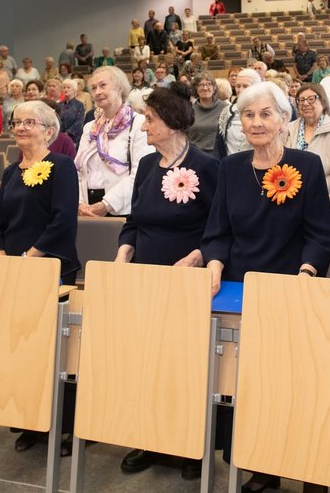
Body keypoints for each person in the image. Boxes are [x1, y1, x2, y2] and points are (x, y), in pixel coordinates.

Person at [201, 81, 330, 493]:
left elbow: (320, 233)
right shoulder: (231, 168)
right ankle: (263, 465)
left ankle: (311, 467)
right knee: (253, 384)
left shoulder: (306, 166)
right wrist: (214, 265)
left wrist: (306, 275)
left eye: (265, 114)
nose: (256, 122)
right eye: (248, 114)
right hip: (241, 289)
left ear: (284, 119)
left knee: (297, 384)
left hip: (293, 286)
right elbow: (218, 230)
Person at [114, 83, 220, 479]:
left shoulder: (208, 167)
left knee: (185, 366)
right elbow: (133, 221)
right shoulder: (145, 165)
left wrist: (197, 257)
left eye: (150, 119)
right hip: (145, 280)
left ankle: (191, 448)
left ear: (173, 123)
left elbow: (218, 228)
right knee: (146, 362)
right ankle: (147, 438)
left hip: (186, 283)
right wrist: (125, 250)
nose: (144, 127)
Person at [0, 100, 79, 453]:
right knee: (21, 350)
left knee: (55, 352)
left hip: (51, 268)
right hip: (13, 271)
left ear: (49, 130)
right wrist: (2, 259)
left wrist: (28, 257)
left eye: (30, 122)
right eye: (16, 122)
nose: (22, 127)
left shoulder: (62, 166)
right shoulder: (10, 172)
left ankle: (64, 428)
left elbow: (62, 223)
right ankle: (30, 421)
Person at [75, 67, 153, 217]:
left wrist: (106, 204)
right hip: (87, 210)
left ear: (119, 87)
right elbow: (78, 170)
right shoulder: (89, 128)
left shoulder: (139, 124)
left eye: (103, 85)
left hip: (124, 209)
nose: (97, 92)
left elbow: (141, 174)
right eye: (93, 88)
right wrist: (80, 204)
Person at [286, 83, 330, 194]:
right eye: (301, 100)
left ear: (323, 101)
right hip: (291, 194)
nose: (305, 103)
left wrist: (311, 190)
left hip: (327, 196)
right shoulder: (289, 129)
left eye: (311, 99)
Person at [217, 68, 262, 156]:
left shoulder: (264, 113)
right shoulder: (226, 111)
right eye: (238, 86)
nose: (240, 90)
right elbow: (219, 143)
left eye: (245, 86)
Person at [189, 72, 225, 158]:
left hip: (218, 157)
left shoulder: (225, 108)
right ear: (196, 88)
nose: (205, 88)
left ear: (214, 87)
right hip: (195, 156)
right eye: (201, 85)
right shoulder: (189, 110)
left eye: (209, 84)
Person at [59, 79, 86, 143]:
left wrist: (68, 133)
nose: (66, 89)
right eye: (64, 87)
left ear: (74, 90)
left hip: (74, 138)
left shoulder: (79, 105)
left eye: (68, 87)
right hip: (60, 136)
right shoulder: (59, 105)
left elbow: (79, 121)